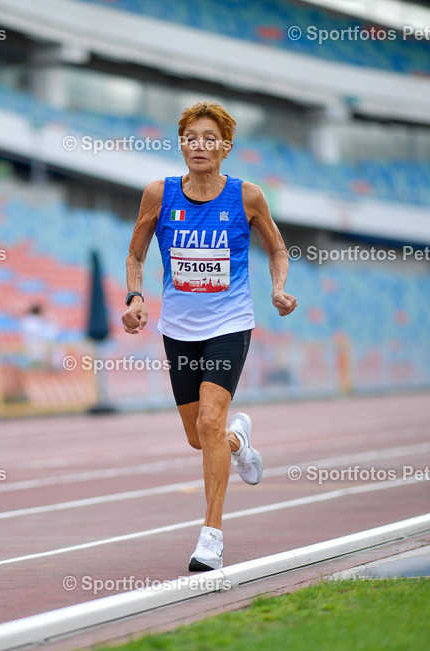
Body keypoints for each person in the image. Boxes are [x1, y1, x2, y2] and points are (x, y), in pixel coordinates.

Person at [121, 101, 297, 572]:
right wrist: (135, 298)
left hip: (229, 323)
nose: (198, 146)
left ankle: (211, 537)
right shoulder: (158, 194)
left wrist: (278, 288)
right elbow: (136, 254)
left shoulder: (247, 197)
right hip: (178, 330)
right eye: (190, 138)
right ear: (181, 145)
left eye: (209, 138)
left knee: (208, 421)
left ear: (226, 147)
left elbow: (277, 250)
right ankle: (238, 441)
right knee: (201, 437)